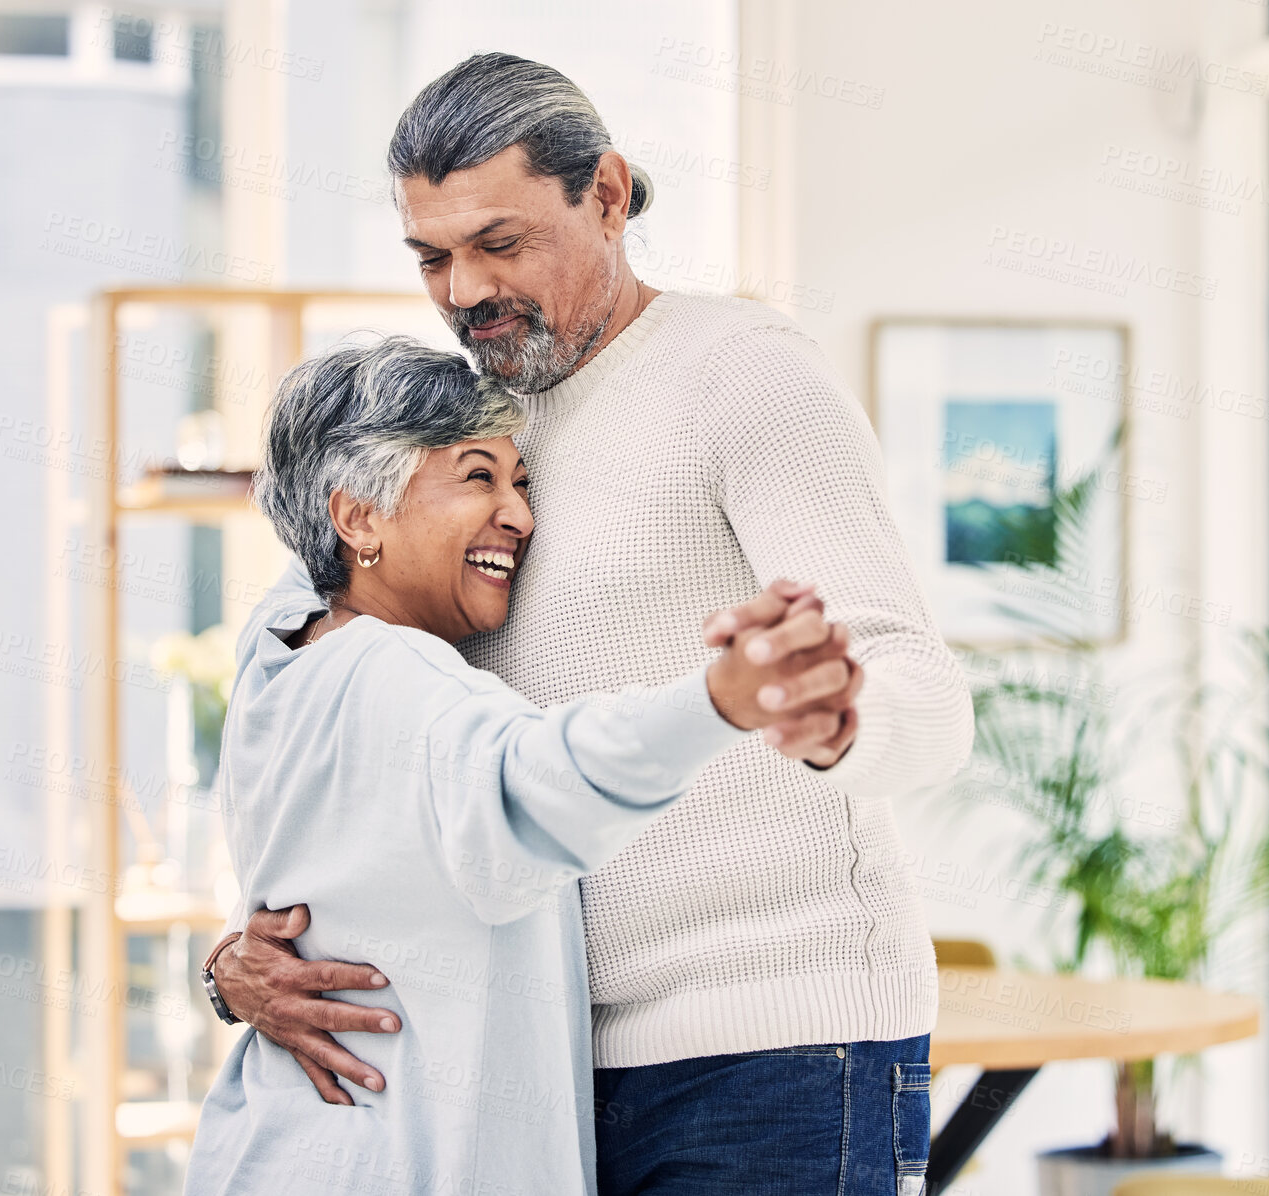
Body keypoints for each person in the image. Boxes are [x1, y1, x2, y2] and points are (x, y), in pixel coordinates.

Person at [208, 53, 973, 1195]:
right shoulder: (464, 428)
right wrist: (229, 963)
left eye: (499, 244)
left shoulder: (740, 374)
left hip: (771, 1047)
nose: (464, 290)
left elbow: (926, 694)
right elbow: (303, 706)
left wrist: (833, 714)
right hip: (541, 1067)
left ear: (607, 195)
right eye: (432, 257)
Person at [182, 336, 837, 1196]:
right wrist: (720, 699)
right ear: (359, 517)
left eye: (521, 482)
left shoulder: (280, 647)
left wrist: (226, 968)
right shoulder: (400, 676)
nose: (520, 516)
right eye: (476, 476)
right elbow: (541, 781)